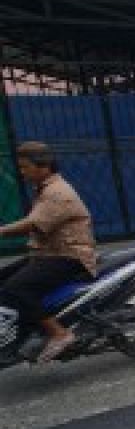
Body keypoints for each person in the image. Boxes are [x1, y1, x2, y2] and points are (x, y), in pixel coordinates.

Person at [0, 141, 98, 362]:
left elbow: (33, 224)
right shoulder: (45, 188)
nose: (22, 173)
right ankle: (25, 331)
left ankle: (59, 333)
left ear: (43, 166)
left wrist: (2, 232)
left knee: (16, 288)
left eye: (25, 167)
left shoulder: (57, 192)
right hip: (50, 254)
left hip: (70, 257)